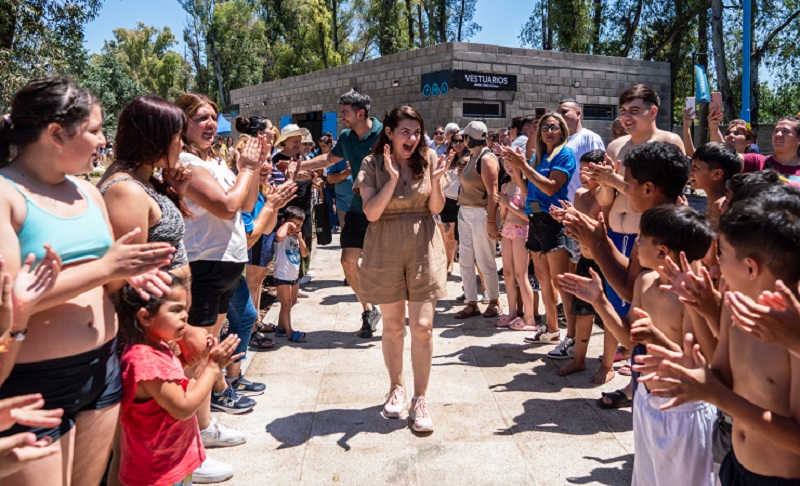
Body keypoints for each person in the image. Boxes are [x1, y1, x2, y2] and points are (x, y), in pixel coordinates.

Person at [0, 77, 175, 485]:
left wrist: (130, 273)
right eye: (94, 130)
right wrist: (108, 268)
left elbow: (106, 282)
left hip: (102, 368)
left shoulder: (87, 192)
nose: (103, 141)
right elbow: (10, 306)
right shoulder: (6, 194)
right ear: (56, 134)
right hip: (33, 385)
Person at [634, 186, 800, 484]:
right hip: (736, 465)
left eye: (722, 255)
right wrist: (703, 316)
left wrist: (714, 393)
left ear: (751, 267)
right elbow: (721, 377)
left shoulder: (792, 330)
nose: (715, 263)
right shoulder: (736, 304)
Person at [560, 205, 716, 486]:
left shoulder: (693, 296)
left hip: (683, 408)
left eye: (641, 239)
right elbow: (629, 340)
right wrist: (600, 302)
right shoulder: (645, 281)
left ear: (663, 253)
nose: (635, 245)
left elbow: (701, 365)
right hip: (646, 399)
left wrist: (656, 339)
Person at [565, 141, 691, 409]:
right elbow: (634, 281)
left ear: (648, 189)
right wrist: (601, 240)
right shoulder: (654, 223)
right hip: (650, 381)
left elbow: (629, 289)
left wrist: (599, 247)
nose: (623, 189)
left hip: (676, 391)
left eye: (627, 183)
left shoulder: (672, 233)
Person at [174, 93, 260, 480]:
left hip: (226, 265)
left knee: (208, 352)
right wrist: (242, 169)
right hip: (204, 266)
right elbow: (226, 206)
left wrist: (252, 167)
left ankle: (205, 428)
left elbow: (246, 203)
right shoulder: (187, 162)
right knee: (195, 357)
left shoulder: (212, 161)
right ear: (182, 124)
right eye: (200, 118)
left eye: (213, 117)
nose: (210, 124)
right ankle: (192, 447)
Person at [354, 105, 447, 433]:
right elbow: (372, 213)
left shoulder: (430, 159)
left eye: (416, 131)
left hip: (423, 244)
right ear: (389, 133)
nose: (412, 137)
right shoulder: (372, 164)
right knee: (393, 326)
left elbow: (436, 208)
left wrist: (435, 183)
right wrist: (392, 179)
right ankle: (396, 387)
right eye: (405, 131)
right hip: (385, 246)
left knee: (423, 326)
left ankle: (420, 398)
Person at [116, 276, 243, 486]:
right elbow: (183, 408)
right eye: (175, 310)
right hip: (157, 473)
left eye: (185, 309)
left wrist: (191, 360)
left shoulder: (157, 348)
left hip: (171, 464)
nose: (185, 316)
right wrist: (212, 367)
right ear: (146, 317)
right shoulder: (145, 360)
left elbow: (166, 387)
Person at [302, 90, 383, 338]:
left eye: (345, 113)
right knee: (348, 260)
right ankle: (369, 309)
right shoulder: (347, 137)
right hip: (359, 208)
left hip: (386, 208)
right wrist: (298, 166)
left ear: (361, 113)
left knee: (387, 265)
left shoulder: (384, 133)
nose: (341, 117)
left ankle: (393, 314)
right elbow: (328, 159)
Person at [501, 113, 575, 345]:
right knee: (543, 278)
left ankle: (572, 337)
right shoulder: (540, 157)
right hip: (535, 220)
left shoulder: (564, 154)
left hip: (553, 222)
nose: (549, 131)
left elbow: (552, 188)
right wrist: (517, 168)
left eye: (554, 127)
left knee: (561, 281)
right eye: (544, 128)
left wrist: (524, 165)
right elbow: (528, 188)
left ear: (562, 130)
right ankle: (551, 328)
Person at [549, 149, 616, 383]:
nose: (585, 173)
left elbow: (604, 228)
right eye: (583, 168)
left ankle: (608, 365)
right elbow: (577, 230)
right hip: (585, 259)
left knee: (609, 316)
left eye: (590, 169)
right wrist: (565, 219)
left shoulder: (609, 196)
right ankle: (579, 359)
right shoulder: (579, 194)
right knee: (582, 313)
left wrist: (574, 217)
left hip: (605, 261)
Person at [453, 121, 502, 319]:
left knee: (485, 259)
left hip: (481, 214)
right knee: (465, 260)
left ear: (468, 138)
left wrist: (491, 222)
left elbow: (493, 193)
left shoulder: (486, 158)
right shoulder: (473, 157)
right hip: (465, 212)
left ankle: (494, 301)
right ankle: (471, 302)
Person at [494, 158, 537, 330]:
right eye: (506, 164)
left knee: (522, 275)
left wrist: (509, 204)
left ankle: (529, 318)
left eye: (512, 163)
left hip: (522, 231)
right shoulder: (505, 186)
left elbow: (530, 216)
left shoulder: (527, 187)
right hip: (507, 231)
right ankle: (512, 313)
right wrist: (502, 206)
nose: (509, 167)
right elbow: (504, 216)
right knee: (508, 274)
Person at [274, 125, 316, 282]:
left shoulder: (303, 158)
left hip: (304, 208)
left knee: (304, 240)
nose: (298, 144)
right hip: (288, 210)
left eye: (300, 141)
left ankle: (300, 276)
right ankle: (287, 280)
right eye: (294, 141)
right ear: (285, 141)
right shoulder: (277, 161)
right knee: (289, 245)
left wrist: (313, 179)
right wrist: (295, 176)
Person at [556, 98, 606, 202]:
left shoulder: (590, 138)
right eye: (558, 113)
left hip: (584, 206)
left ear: (578, 114)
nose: (560, 116)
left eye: (564, 112)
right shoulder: (557, 142)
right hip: (563, 207)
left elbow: (599, 172)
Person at [273, 206, 310, 343]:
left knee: (292, 302)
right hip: (282, 275)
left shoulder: (296, 237)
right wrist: (287, 225)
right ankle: (290, 333)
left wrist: (300, 239)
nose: (295, 228)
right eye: (293, 224)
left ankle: (280, 327)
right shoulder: (282, 237)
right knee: (286, 304)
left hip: (294, 276)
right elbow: (279, 236)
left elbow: (305, 253)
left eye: (299, 225)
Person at [690, 142, 742, 229]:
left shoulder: (720, 206)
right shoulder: (714, 203)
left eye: (695, 167)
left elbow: (712, 241)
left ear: (716, 174)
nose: (690, 171)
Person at [738, 116, 800, 183]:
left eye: (785, 131)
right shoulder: (757, 162)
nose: (778, 134)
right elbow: (729, 158)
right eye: (776, 130)